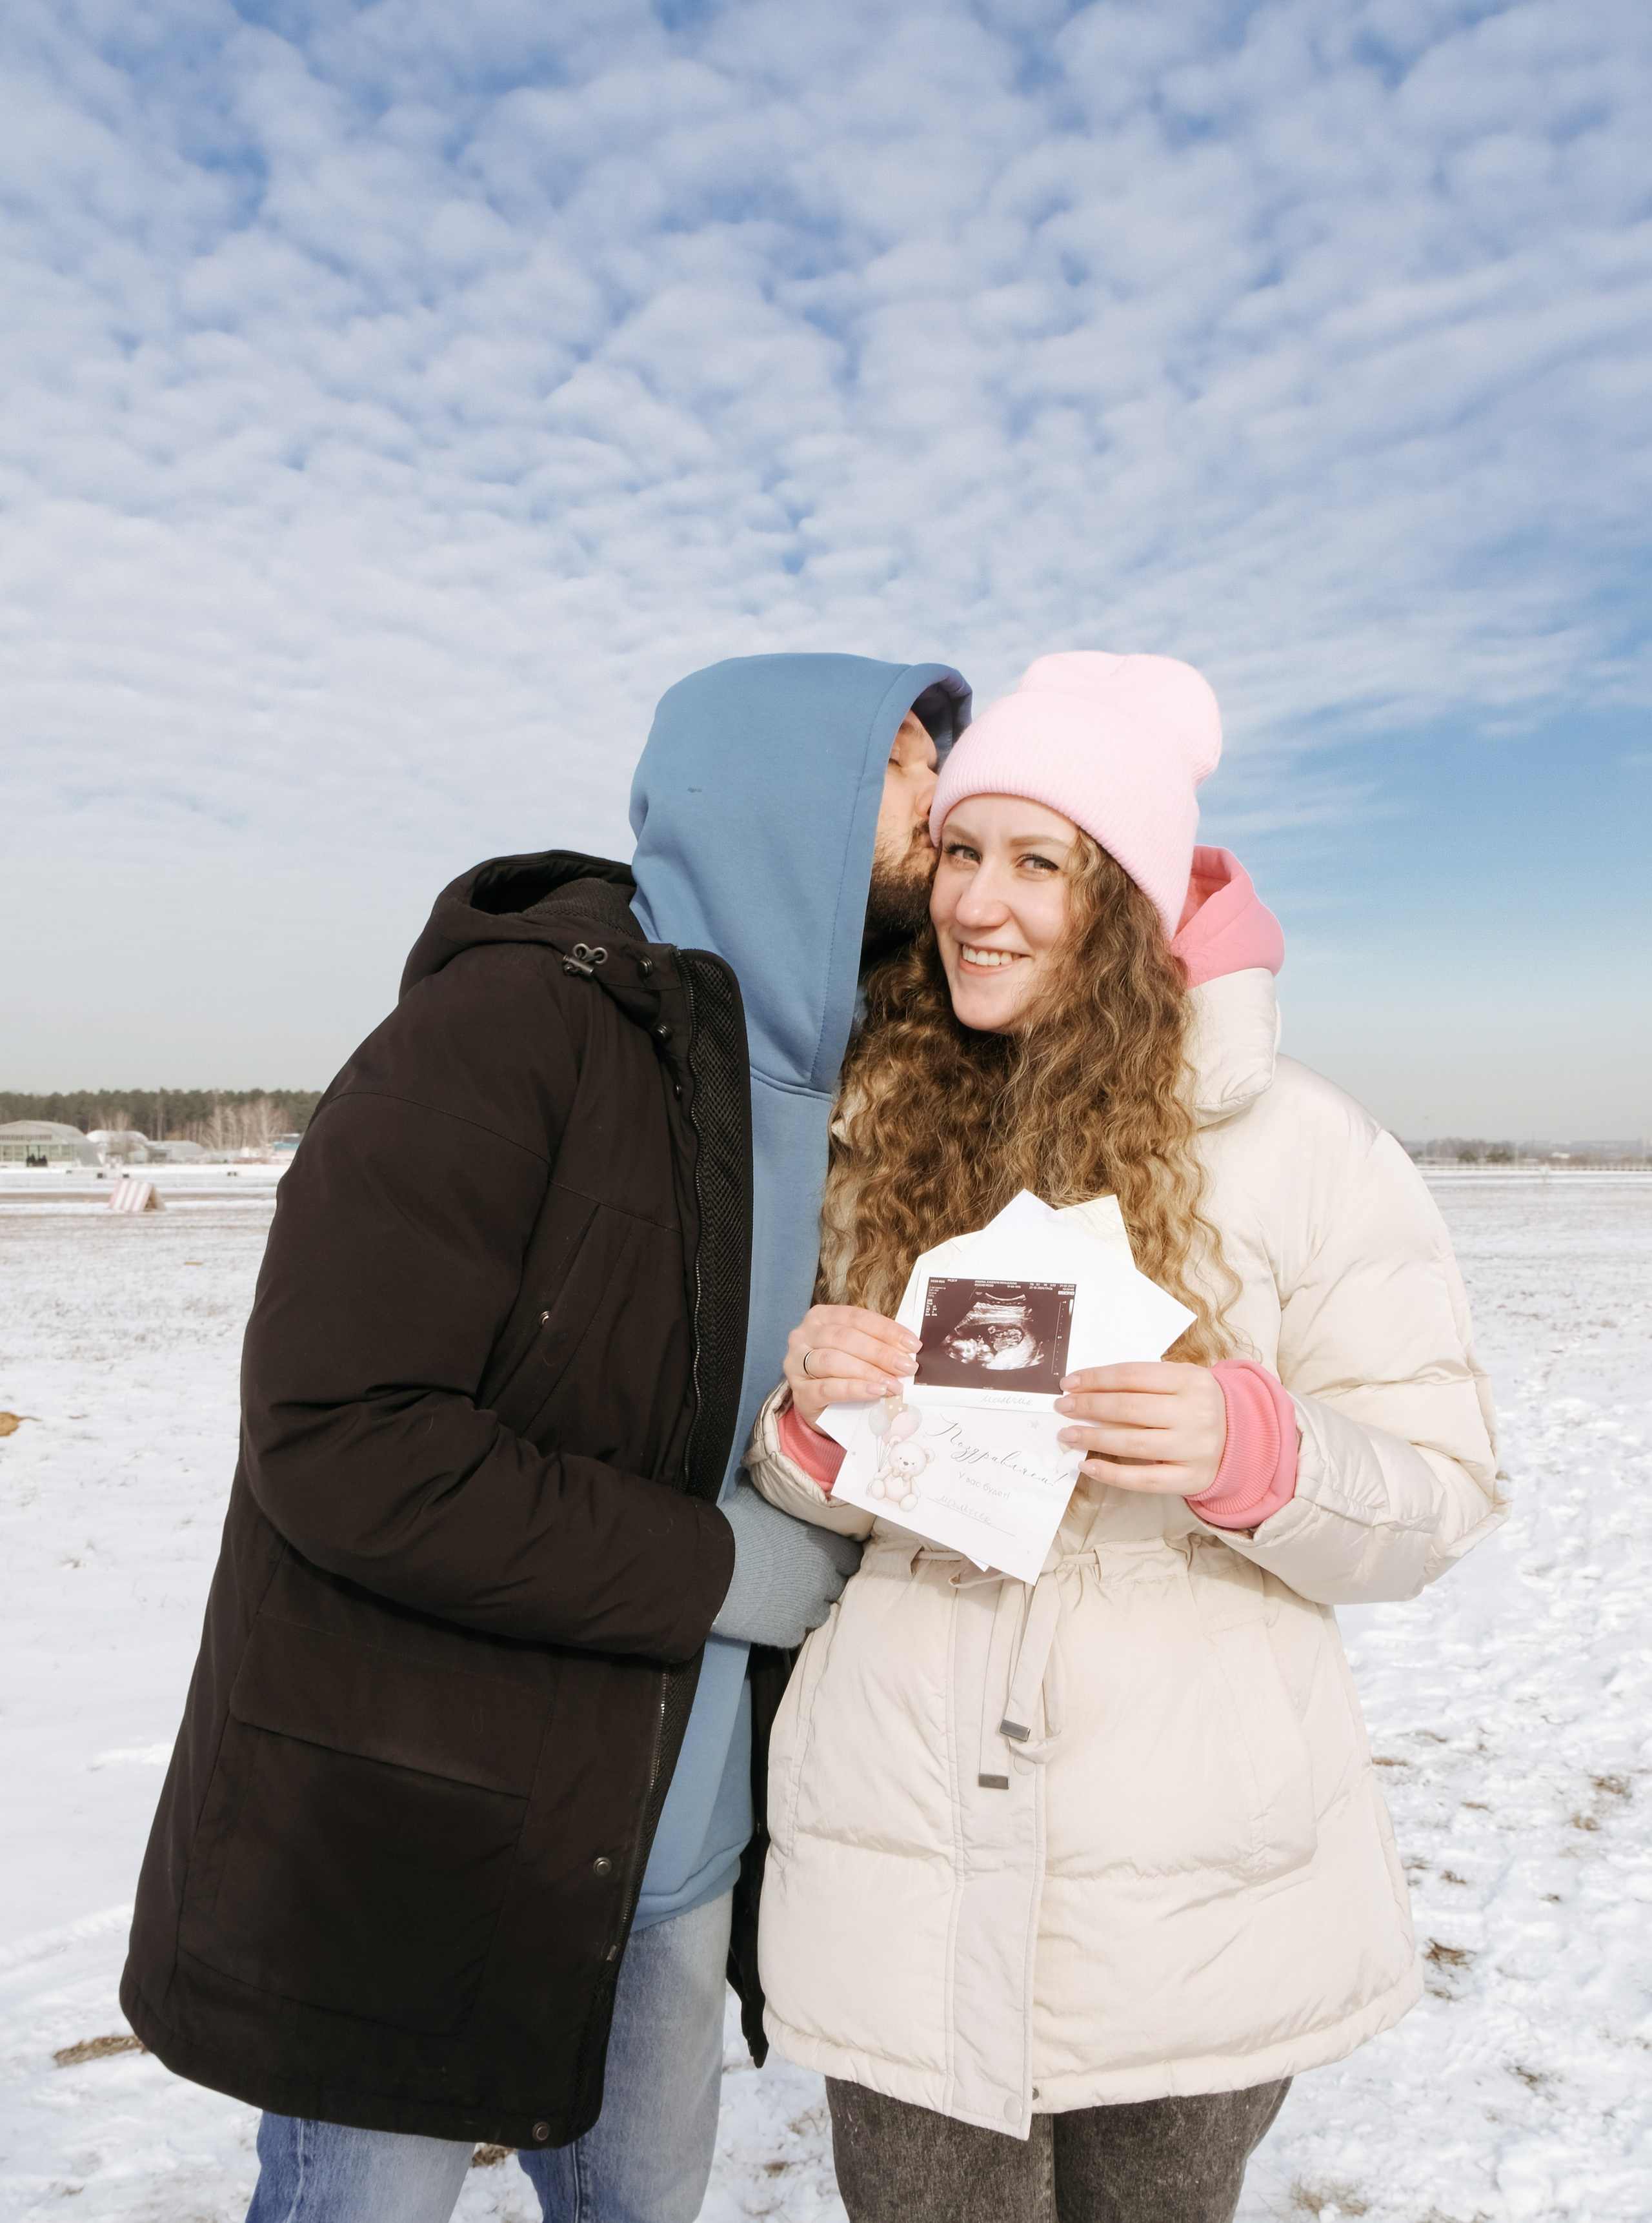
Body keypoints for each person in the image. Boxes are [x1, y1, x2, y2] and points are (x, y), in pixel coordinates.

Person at [119, 651, 970, 2223]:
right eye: (913, 767)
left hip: (669, 1854)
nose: (949, 801)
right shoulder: (510, 1030)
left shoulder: (851, 1097)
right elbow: (343, 1438)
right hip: (415, 1835)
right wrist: (723, 1566)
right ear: (794, 784)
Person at [745, 651, 1504, 2223]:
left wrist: (1255, 1450)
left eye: (1039, 864)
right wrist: (810, 1431)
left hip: (1188, 1903)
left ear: (1131, 907)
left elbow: (1436, 1493)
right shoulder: (878, 1125)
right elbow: (817, 1484)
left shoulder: (1298, 1146)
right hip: (903, 1874)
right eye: (958, 850)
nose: (975, 902)